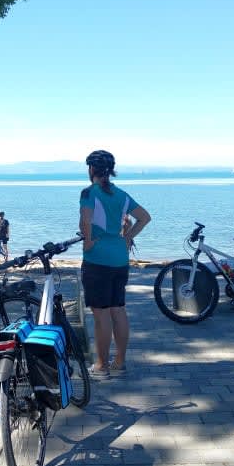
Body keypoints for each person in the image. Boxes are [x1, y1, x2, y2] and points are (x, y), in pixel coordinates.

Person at [79, 150, 151, 380]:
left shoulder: (89, 192)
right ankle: (119, 362)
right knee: (118, 310)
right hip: (120, 259)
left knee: (100, 315)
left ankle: (101, 365)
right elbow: (145, 217)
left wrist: (88, 243)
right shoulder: (121, 194)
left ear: (91, 169)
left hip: (97, 260)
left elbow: (85, 221)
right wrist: (127, 237)